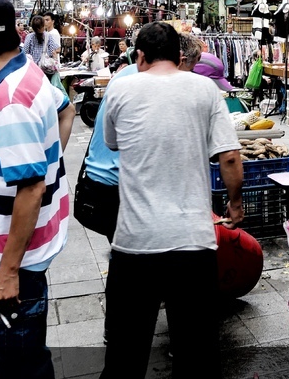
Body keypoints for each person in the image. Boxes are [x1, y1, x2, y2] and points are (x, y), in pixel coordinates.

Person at [100, 22, 243, 378]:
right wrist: (235, 204)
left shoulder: (120, 88)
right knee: (196, 357)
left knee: (124, 357)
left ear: (140, 56)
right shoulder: (204, 89)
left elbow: (113, 142)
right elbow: (230, 158)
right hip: (193, 244)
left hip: (135, 245)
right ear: (180, 56)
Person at [0, 0, 71, 379]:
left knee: (13, 370)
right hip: (10, 257)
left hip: (13, 266)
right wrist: (49, 157)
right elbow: (65, 107)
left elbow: (31, 189)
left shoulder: (10, 101)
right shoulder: (26, 70)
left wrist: (7, 273)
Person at [80, 30, 204, 345]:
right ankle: (137, 334)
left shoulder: (129, 78)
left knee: (135, 258)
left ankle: (127, 329)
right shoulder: (147, 84)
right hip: (116, 187)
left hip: (102, 185)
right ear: (180, 59)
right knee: (148, 259)